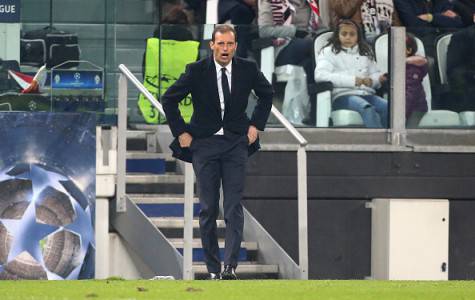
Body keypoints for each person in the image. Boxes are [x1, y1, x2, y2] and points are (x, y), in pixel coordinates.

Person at [161, 24, 273, 280]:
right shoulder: (197, 70)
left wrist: (256, 125)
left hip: (236, 143)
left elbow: (267, 95)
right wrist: (181, 132)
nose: (225, 49)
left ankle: (229, 267)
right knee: (209, 208)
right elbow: (169, 99)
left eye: (229, 44)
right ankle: (213, 269)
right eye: (220, 44)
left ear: (235, 46)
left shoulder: (248, 68)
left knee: (233, 206)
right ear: (211, 45)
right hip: (205, 144)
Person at [315, 19, 388, 128]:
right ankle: (377, 141)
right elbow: (320, 75)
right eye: (344, 34)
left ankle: (388, 140)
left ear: (358, 36)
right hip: (342, 96)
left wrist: (374, 80)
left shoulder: (365, 52)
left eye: (352, 34)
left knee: (388, 107)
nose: (348, 37)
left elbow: (375, 73)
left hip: (366, 94)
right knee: (366, 108)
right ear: (337, 35)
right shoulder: (329, 52)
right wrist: (353, 81)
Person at [258, 0, 320, 124]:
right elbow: (263, 30)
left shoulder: (310, 3)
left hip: (308, 50)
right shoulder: (270, 2)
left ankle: (314, 113)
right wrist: (294, 32)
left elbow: (321, 28)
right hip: (283, 48)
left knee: (310, 64)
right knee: (311, 45)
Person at [329, 0, 401, 42]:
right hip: (357, 38)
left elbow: (394, 18)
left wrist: (399, 40)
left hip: (385, 39)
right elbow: (343, 11)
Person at [405, 33, 428, 126]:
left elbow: (410, 94)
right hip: (401, 108)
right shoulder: (398, 65)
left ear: (409, 50)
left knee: (409, 133)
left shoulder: (413, 69)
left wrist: (401, 114)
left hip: (415, 109)